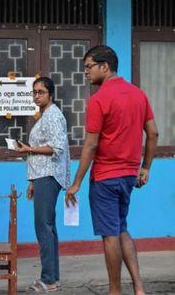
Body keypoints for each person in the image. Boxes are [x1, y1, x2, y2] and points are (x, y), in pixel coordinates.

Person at [65, 45, 158, 295]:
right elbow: (153, 133)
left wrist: (76, 182)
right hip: (129, 176)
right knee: (121, 228)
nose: (85, 72)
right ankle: (139, 288)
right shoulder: (139, 94)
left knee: (110, 235)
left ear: (104, 67)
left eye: (88, 67)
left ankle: (114, 291)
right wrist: (145, 167)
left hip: (105, 176)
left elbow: (91, 144)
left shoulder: (99, 99)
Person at [15, 77, 70, 292]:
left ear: (51, 94)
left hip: (49, 176)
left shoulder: (54, 116)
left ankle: (48, 279)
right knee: (48, 227)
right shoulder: (44, 115)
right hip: (42, 177)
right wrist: (32, 182)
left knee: (43, 227)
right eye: (34, 92)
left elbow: (56, 148)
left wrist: (29, 149)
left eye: (41, 92)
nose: (36, 96)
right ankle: (53, 277)